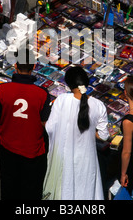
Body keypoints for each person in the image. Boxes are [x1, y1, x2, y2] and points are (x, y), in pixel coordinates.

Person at [0, 48, 51, 200]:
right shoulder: (42, 94)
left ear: (15, 66)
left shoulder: (3, 89)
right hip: (33, 153)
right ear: (34, 67)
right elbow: (45, 124)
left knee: (9, 189)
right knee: (31, 192)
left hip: (8, 149)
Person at [43, 65, 110, 200]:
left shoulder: (62, 100)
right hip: (88, 160)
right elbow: (104, 136)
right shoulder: (98, 105)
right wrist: (92, 132)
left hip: (65, 158)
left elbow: (50, 128)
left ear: (69, 84)